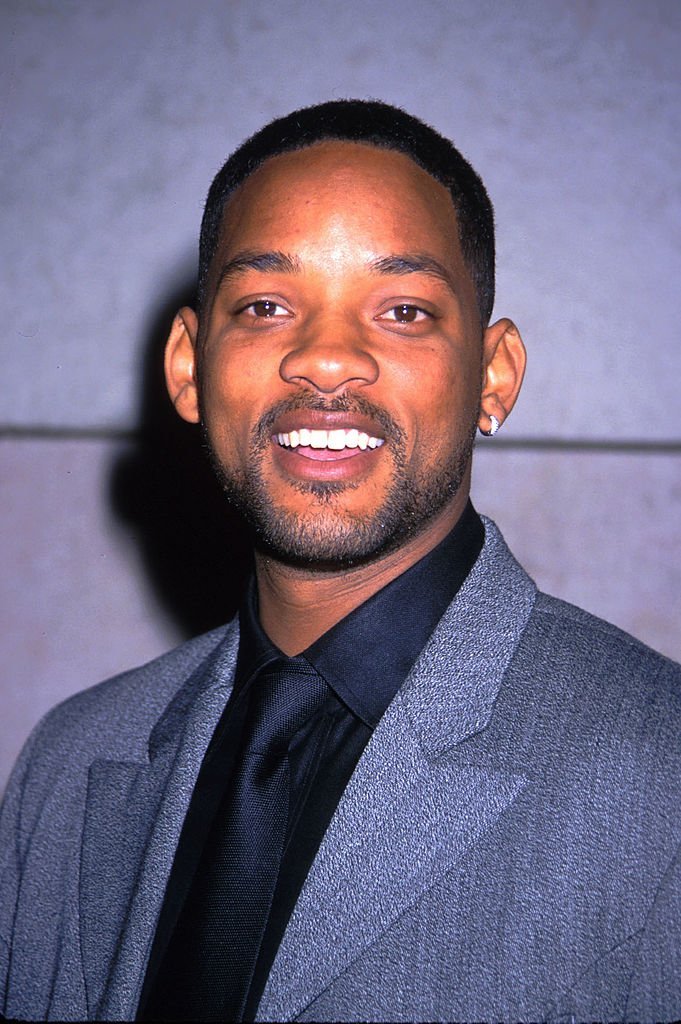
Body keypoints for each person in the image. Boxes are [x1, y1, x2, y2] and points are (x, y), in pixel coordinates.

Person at [1, 100, 679, 1024]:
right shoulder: (67, 766)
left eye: (402, 310)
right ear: (189, 367)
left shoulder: (659, 772)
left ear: (495, 376)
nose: (325, 360)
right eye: (266, 306)